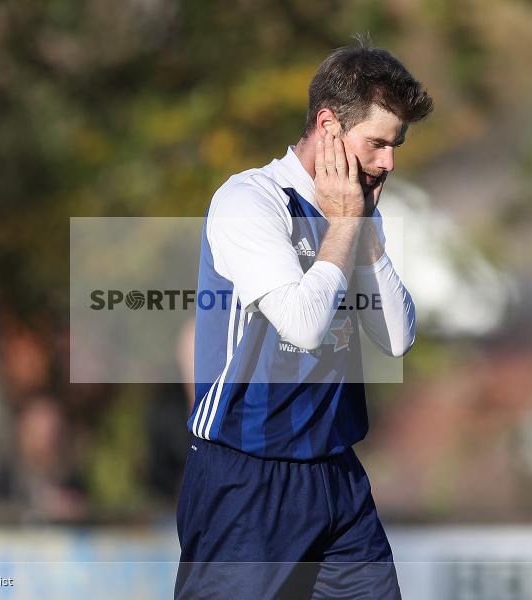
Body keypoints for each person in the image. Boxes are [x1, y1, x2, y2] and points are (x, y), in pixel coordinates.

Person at [175, 36, 433, 600]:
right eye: (377, 143)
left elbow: (396, 338)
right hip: (247, 477)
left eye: (396, 145)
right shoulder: (250, 201)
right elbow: (304, 323)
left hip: (337, 477)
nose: (389, 162)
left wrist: (361, 231)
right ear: (328, 125)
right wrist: (344, 227)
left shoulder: (355, 212)